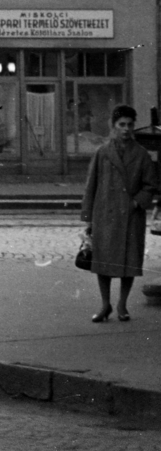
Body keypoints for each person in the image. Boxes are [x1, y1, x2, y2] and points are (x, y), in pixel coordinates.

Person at [81, 104, 158, 323]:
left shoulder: (141, 155)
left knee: (129, 262)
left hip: (130, 217)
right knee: (102, 262)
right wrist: (87, 220)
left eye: (129, 125)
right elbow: (91, 185)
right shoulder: (102, 152)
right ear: (113, 126)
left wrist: (136, 203)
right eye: (121, 125)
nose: (126, 129)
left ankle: (123, 305)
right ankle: (105, 305)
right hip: (104, 215)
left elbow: (150, 186)